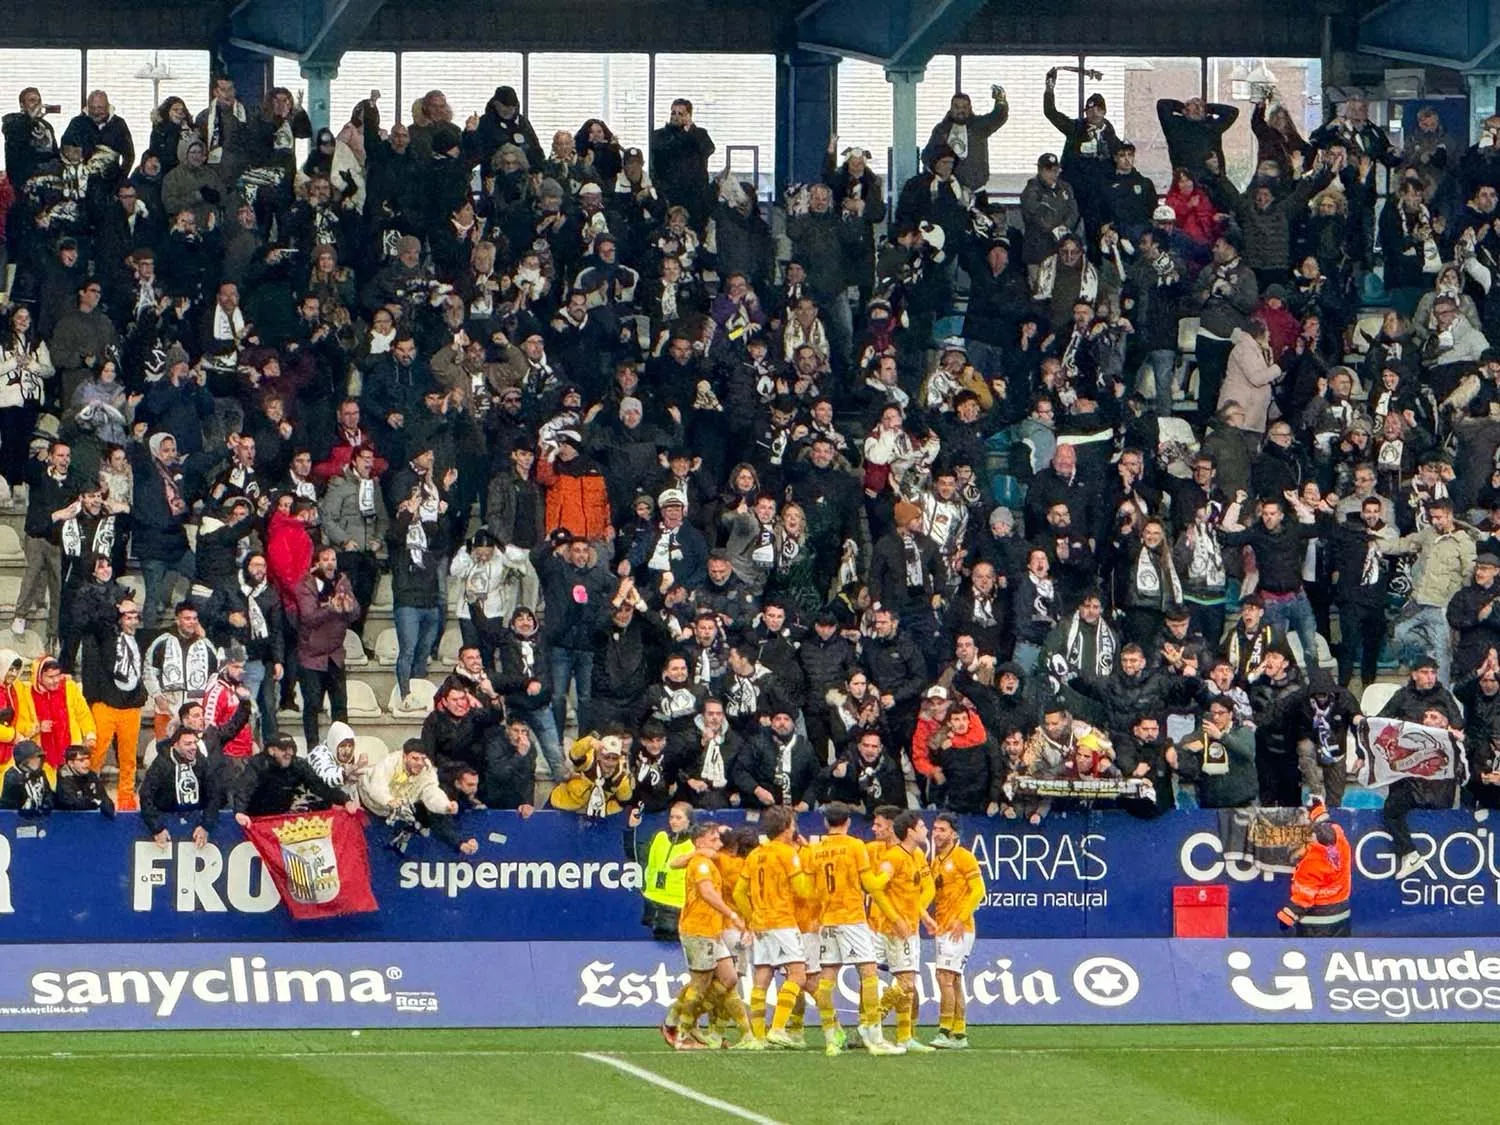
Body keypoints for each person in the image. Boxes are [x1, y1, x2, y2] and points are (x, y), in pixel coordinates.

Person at [730, 805, 823, 1051]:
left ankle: (758, 1037)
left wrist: (752, 918)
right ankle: (779, 1029)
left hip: (761, 923)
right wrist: (812, 868)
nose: (795, 828)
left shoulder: (755, 854)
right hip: (782, 921)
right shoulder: (787, 853)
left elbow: (739, 893)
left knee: (762, 976)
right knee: (798, 975)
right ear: (786, 828)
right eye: (793, 824)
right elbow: (803, 890)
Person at [663, 821, 752, 1050]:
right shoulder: (701, 862)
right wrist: (732, 914)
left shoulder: (708, 859)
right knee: (700, 982)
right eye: (713, 838)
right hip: (698, 929)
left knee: (729, 978)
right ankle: (679, 1031)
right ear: (700, 841)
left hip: (713, 930)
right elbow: (707, 892)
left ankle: (679, 1020)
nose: (718, 841)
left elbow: (675, 863)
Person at [928, 811, 985, 1049]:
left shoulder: (963, 857)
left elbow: (979, 890)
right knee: (953, 979)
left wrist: (961, 919)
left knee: (945, 977)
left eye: (942, 830)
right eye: (935, 829)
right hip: (943, 926)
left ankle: (944, 1031)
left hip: (958, 928)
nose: (937, 834)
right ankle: (959, 1033)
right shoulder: (936, 861)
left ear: (953, 833)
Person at [293, 546, 361, 747]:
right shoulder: (306, 584)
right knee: (313, 705)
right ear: (317, 563)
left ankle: (342, 748)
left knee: (340, 706)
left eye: (333, 559)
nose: (330, 563)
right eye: (325, 559)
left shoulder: (342, 581)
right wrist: (331, 609)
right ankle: (313, 749)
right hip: (311, 657)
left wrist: (350, 608)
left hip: (335, 655)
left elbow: (355, 613)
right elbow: (308, 617)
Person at [231, 734, 359, 820]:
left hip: (281, 818)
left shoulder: (298, 764)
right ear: (271, 750)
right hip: (256, 819)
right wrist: (240, 812)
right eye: (284, 749)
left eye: (292, 749)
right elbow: (244, 789)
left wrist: (345, 800)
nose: (289, 753)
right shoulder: (257, 764)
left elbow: (320, 786)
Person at [138, 725, 221, 846]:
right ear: (175, 745)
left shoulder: (201, 761)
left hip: (196, 820)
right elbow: (146, 795)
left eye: (195, 743)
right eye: (188, 744)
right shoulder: (162, 763)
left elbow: (214, 794)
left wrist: (206, 825)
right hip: (166, 820)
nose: (193, 747)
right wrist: (157, 828)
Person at [625, 799, 694, 943]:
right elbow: (635, 854)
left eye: (679, 818)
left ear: (689, 821)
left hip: (678, 908)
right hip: (653, 905)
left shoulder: (694, 845)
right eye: (671, 817)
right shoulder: (660, 837)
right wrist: (631, 829)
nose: (674, 821)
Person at [1276, 817, 1352, 937]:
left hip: (1317, 923)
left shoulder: (1312, 863)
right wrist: (1319, 813)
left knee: (1316, 949)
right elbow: (1334, 826)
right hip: (1342, 916)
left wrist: (1287, 917)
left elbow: (1303, 897)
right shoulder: (1343, 846)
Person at [54, 742, 114, 815]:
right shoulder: (64, 779)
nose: (87, 763)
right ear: (71, 763)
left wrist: (108, 804)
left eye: (88, 758)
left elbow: (104, 798)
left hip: (89, 817)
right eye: (81, 760)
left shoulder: (92, 775)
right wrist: (96, 802)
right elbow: (73, 803)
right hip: (67, 818)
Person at [0, 740, 52, 814]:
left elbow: (48, 793)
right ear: (22, 764)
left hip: (40, 816)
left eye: (38, 759)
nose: (36, 763)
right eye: (32, 760)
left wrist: (48, 804)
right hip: (17, 818)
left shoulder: (41, 773)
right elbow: (8, 806)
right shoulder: (13, 777)